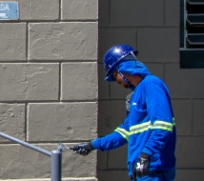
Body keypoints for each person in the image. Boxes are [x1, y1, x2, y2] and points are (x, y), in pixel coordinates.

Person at [72, 45, 176, 180]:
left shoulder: (151, 85)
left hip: (153, 171)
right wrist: (92, 145)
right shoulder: (137, 93)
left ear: (124, 69)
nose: (116, 82)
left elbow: (163, 124)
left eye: (115, 76)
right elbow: (124, 134)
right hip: (142, 172)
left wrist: (145, 156)